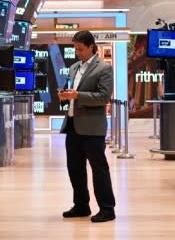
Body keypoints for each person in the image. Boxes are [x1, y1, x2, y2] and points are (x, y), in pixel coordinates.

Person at [58, 30, 116, 223]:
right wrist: (65, 96)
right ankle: (81, 205)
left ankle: (107, 209)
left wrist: (77, 96)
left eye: (80, 49)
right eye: (75, 49)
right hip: (73, 126)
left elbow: (104, 97)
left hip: (93, 129)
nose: (78, 53)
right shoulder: (74, 67)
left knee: (99, 169)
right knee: (74, 168)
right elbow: (73, 93)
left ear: (91, 46)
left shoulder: (104, 68)